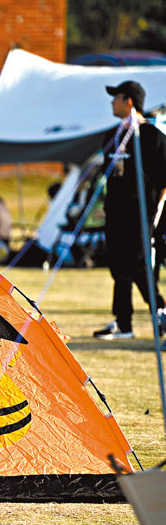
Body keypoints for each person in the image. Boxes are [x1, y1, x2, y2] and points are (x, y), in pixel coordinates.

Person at [92, 80, 166, 343]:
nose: (112, 102)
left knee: (138, 266)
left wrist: (157, 213)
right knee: (118, 267)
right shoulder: (113, 135)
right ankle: (123, 323)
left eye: (117, 97)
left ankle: (161, 311)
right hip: (116, 214)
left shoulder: (152, 136)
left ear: (129, 101)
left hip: (141, 214)